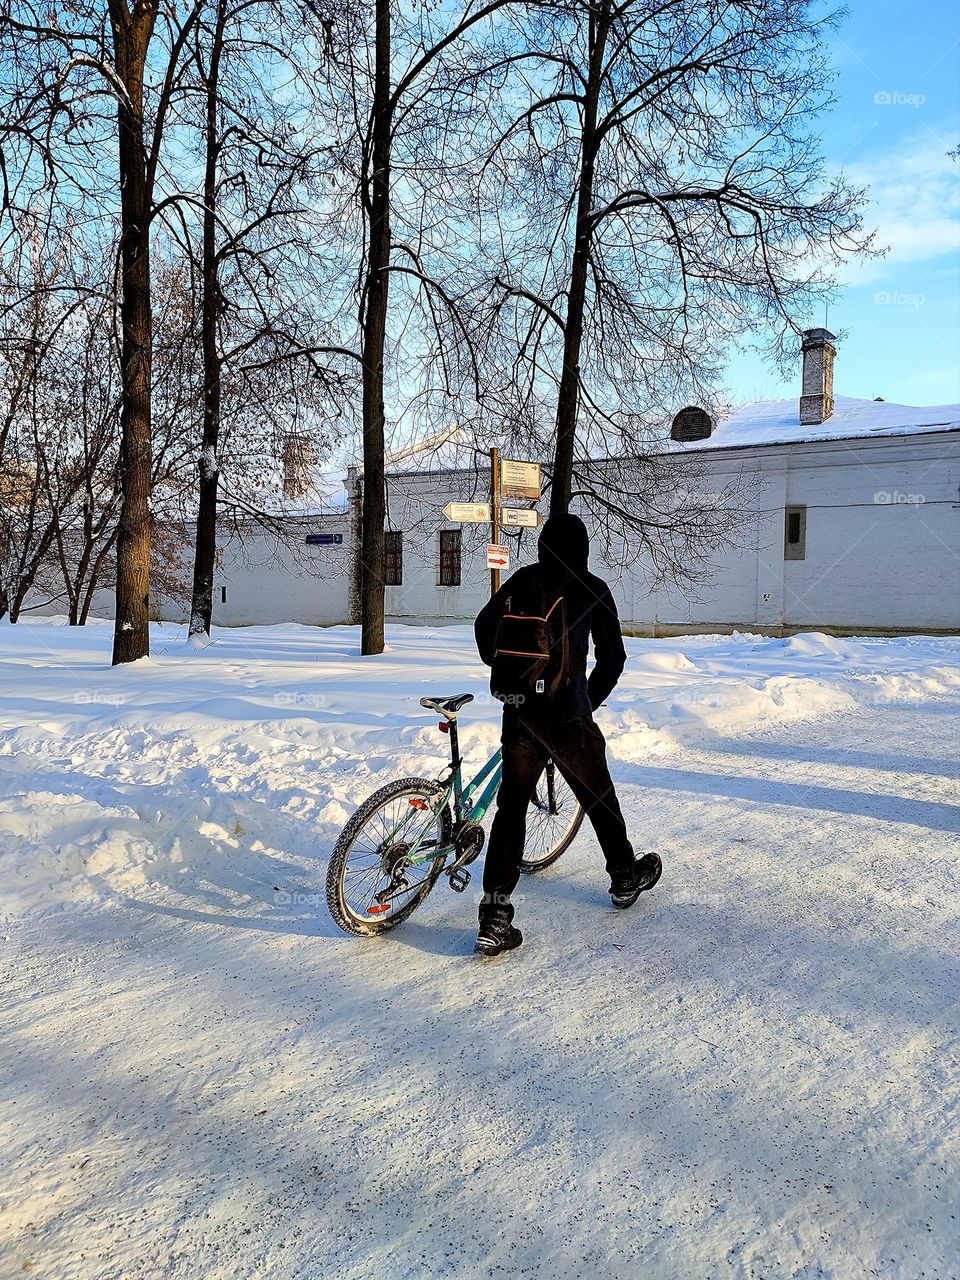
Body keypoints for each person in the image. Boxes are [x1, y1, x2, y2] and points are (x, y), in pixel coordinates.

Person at [473, 512, 662, 957]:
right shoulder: (594, 589)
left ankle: (495, 916)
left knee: (512, 806)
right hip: (567, 717)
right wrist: (585, 700)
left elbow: (484, 630)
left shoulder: (521, 578)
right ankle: (623, 877)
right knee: (598, 796)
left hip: (518, 713)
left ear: (542, 546)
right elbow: (613, 659)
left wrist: (513, 672)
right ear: (584, 549)